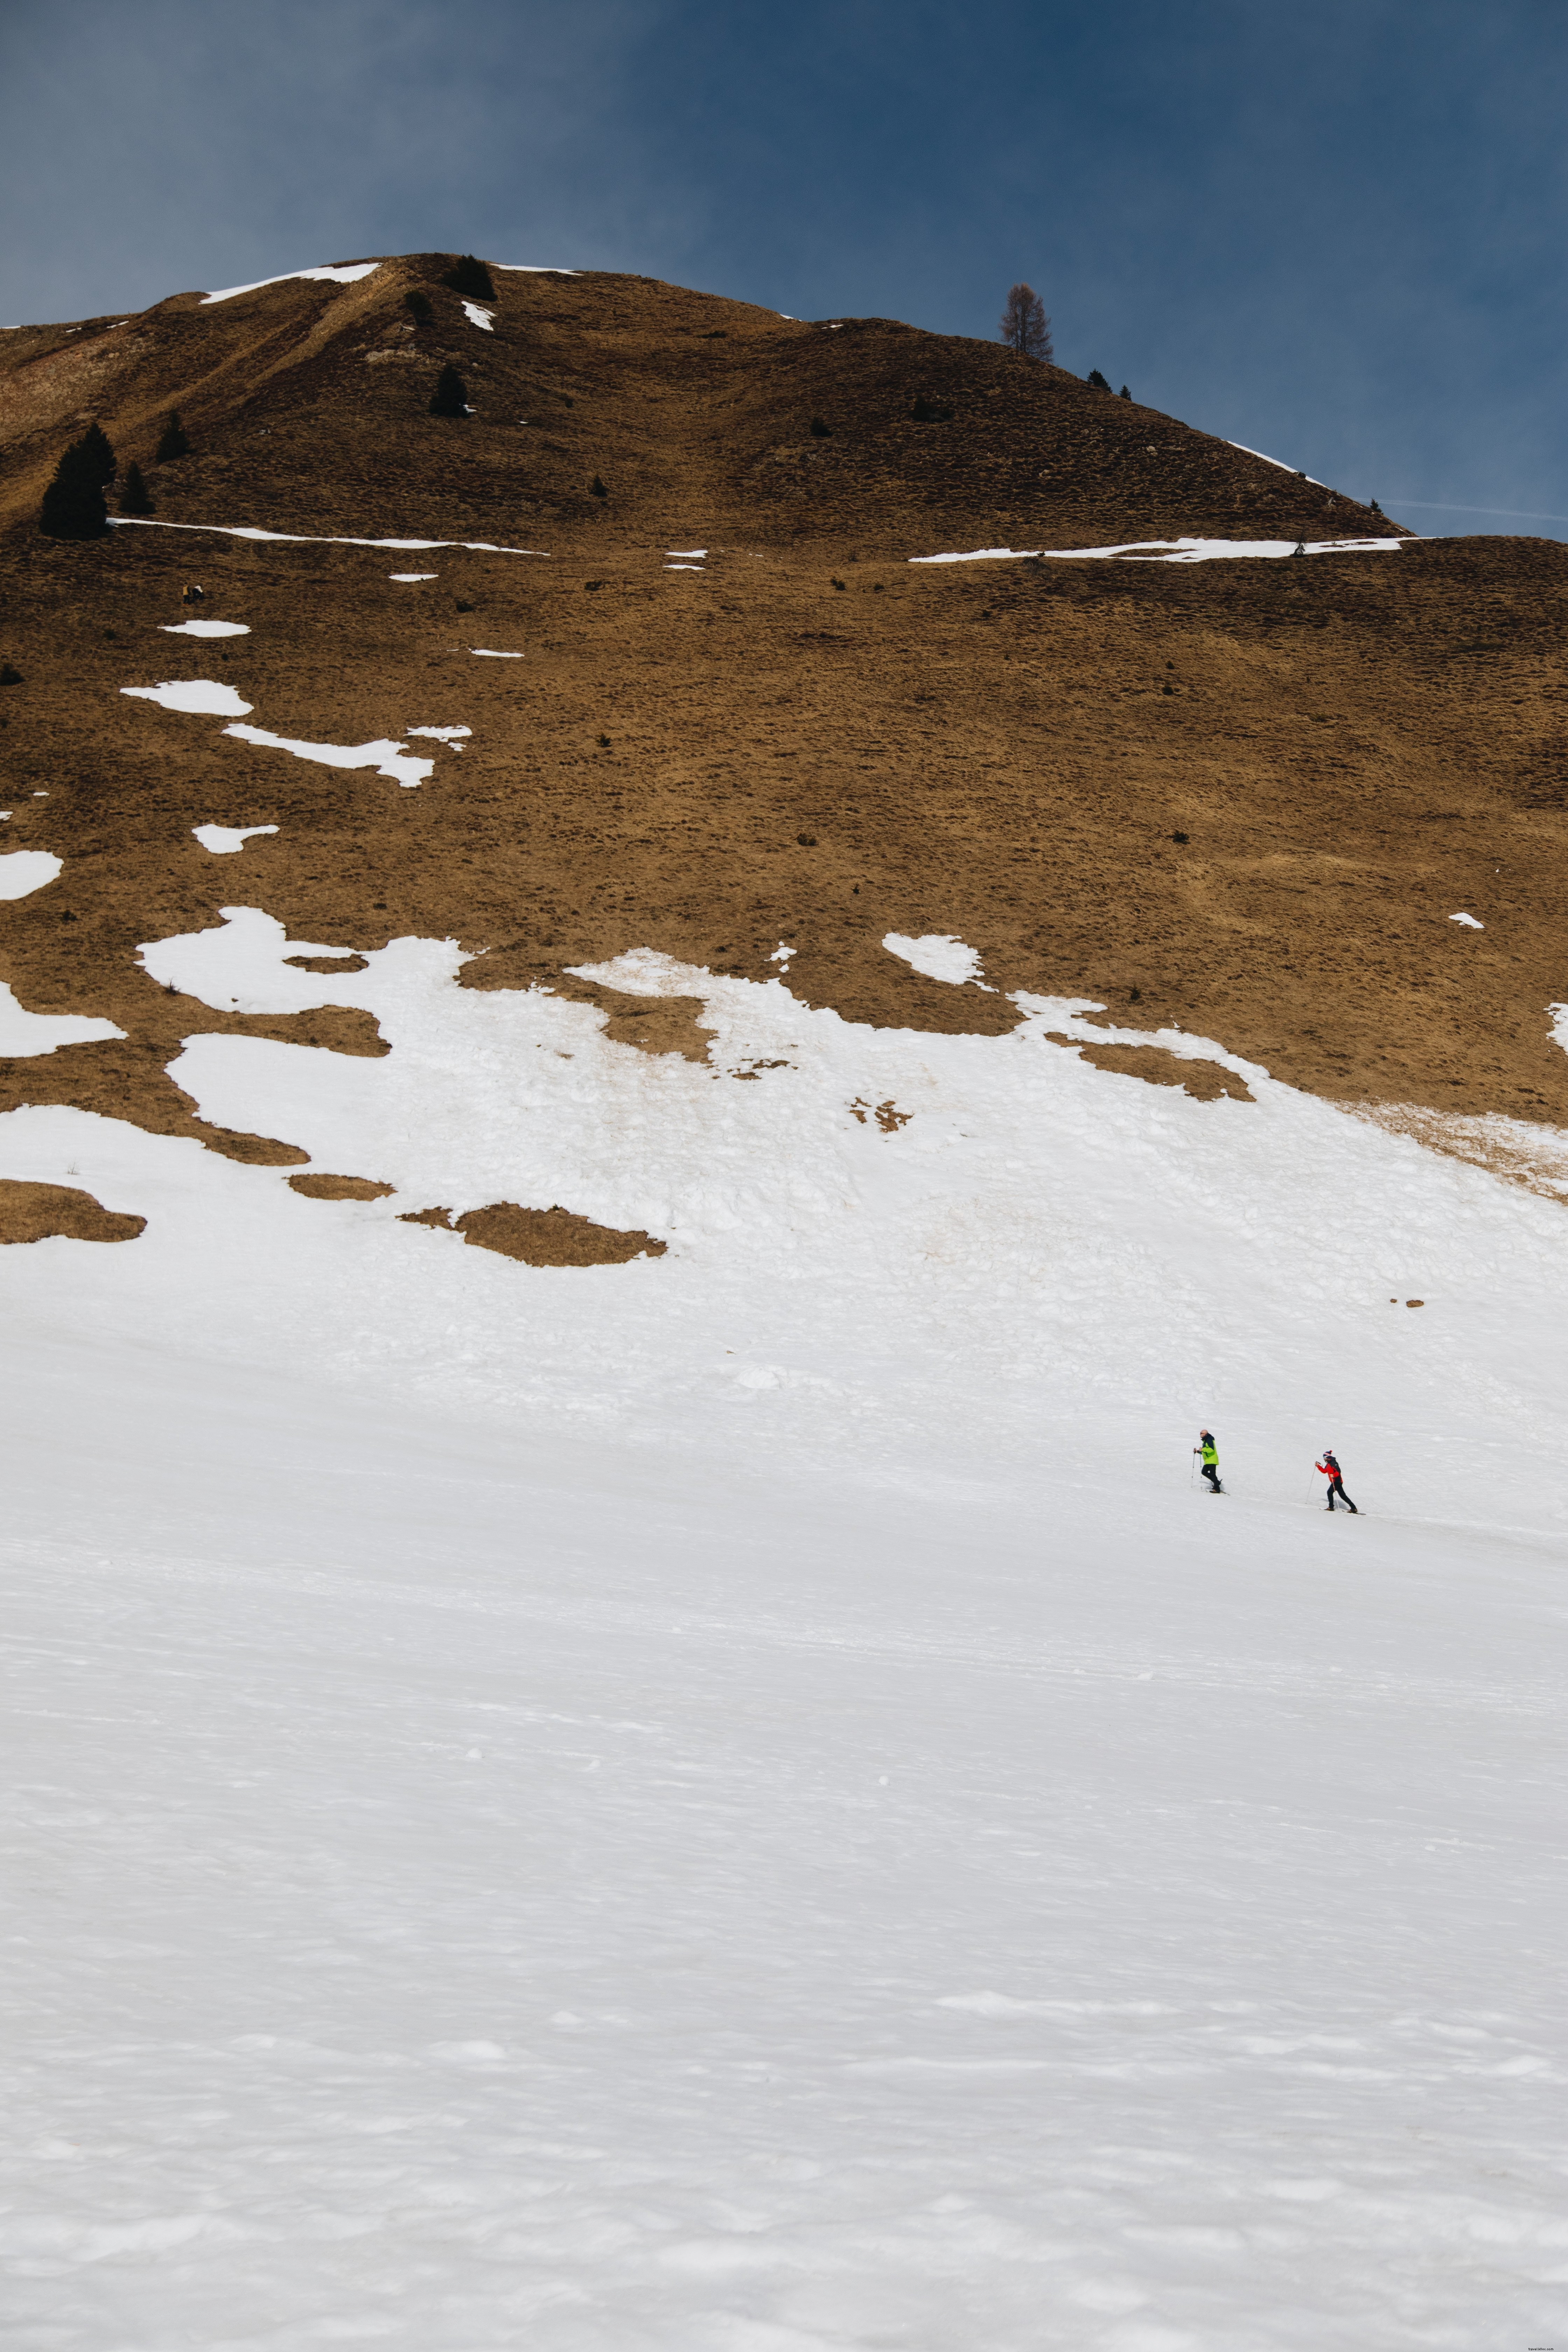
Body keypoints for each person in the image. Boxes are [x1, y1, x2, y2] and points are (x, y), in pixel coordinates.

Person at [1317, 1448, 1358, 1512]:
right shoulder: (1328, 1464)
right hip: (1336, 1482)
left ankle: (1331, 1507)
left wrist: (1334, 1475)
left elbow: (1338, 1472)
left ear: (1328, 1458)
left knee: (1330, 1492)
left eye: (1324, 1458)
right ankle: (1354, 1508)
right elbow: (1324, 1471)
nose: (1324, 1459)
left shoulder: (1334, 1463)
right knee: (1343, 1496)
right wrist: (1318, 1466)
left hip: (1337, 1482)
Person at [1194, 1430, 1223, 1494]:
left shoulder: (1209, 1439)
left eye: (1201, 1433)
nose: (1200, 1434)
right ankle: (1217, 1482)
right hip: (1208, 1461)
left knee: (1213, 1475)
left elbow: (1211, 1450)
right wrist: (1198, 1452)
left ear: (1205, 1434)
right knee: (1204, 1472)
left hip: (1212, 1460)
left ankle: (1217, 1489)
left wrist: (1203, 1449)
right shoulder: (1206, 1440)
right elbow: (1206, 1452)